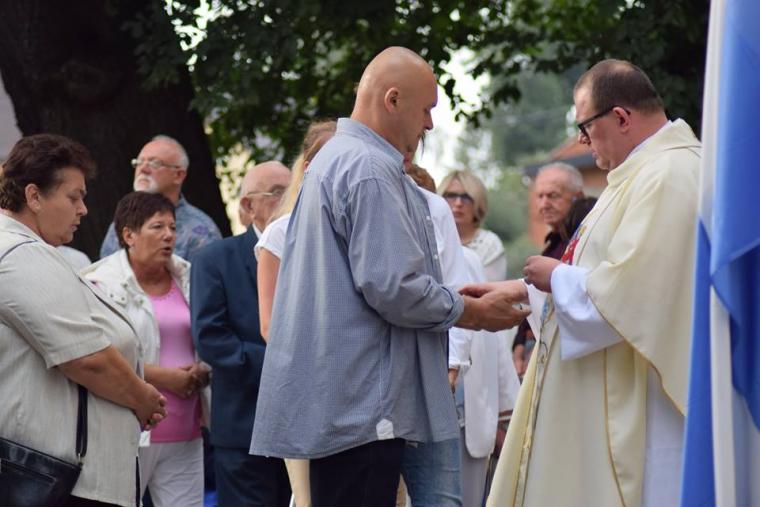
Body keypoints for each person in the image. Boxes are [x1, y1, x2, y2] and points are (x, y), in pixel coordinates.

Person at [250, 46, 529, 506]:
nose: (430, 125)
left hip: (346, 402)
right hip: (365, 405)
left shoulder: (335, 158)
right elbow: (394, 288)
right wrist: (472, 312)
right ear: (393, 99)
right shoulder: (370, 169)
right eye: (427, 110)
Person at [483, 59, 701, 507]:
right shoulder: (636, 174)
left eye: (585, 127)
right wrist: (525, 290)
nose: (582, 141)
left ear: (620, 117)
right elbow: (607, 271)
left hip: (645, 410)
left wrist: (555, 277)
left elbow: (639, 293)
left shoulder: (670, 174)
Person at [0, 133, 166, 507]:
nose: (83, 210)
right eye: (73, 197)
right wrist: (142, 399)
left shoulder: (30, 252)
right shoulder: (17, 254)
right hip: (59, 483)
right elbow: (85, 357)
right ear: (33, 196)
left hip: (66, 480)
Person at [82, 191, 210, 507]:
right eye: (157, 227)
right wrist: (166, 378)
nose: (169, 235)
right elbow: (99, 354)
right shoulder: (100, 283)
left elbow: (210, 335)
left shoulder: (189, 276)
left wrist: (202, 369)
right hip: (128, 431)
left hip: (186, 432)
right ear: (129, 235)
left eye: (173, 227)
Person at [191, 160, 292, 507]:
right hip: (244, 424)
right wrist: (284, 364)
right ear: (248, 206)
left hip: (304, 424)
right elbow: (211, 338)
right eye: (278, 193)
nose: (290, 200)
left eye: (294, 191)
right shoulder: (215, 259)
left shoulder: (312, 255)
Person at [256, 121, 336, 507]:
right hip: (304, 384)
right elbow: (269, 325)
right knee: (307, 498)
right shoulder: (280, 232)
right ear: (308, 166)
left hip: (358, 387)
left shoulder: (360, 229)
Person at [511, 163, 585, 376]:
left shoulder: (584, 242)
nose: (544, 204)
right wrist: (520, 340)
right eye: (540, 196)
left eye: (553, 196)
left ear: (578, 196)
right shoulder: (552, 245)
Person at [100, 135, 221, 260]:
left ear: (178, 175)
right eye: (139, 162)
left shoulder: (201, 230)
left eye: (155, 163)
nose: (143, 169)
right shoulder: (122, 223)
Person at [438, 170, 507, 282]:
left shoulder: (489, 245)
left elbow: (492, 290)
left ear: (479, 203)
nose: (458, 203)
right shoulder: (430, 238)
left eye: (466, 197)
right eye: (451, 195)